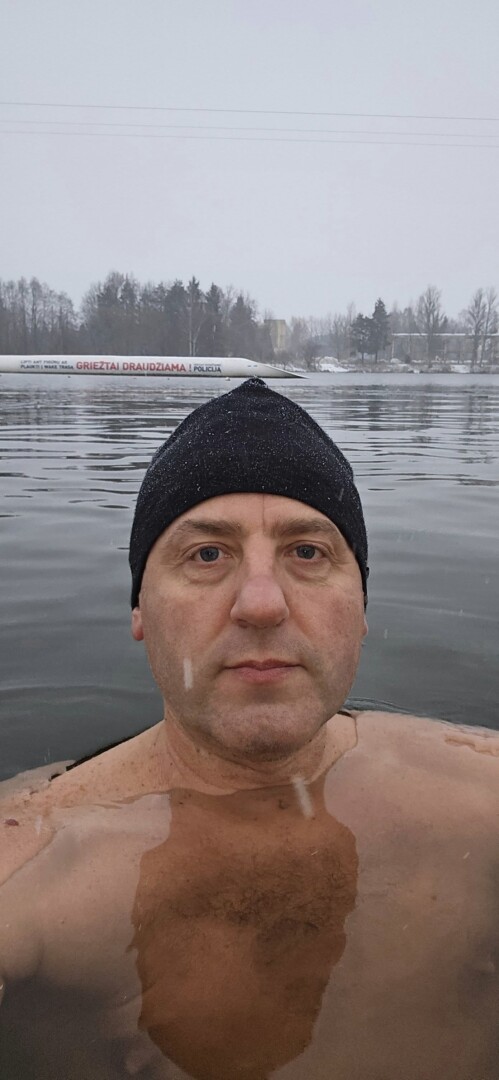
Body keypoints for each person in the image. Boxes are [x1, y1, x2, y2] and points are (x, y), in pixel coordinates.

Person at [1, 377, 498, 1080]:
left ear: (361, 608)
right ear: (139, 608)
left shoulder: (481, 798)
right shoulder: (36, 864)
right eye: (207, 554)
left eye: (307, 552)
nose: (261, 604)